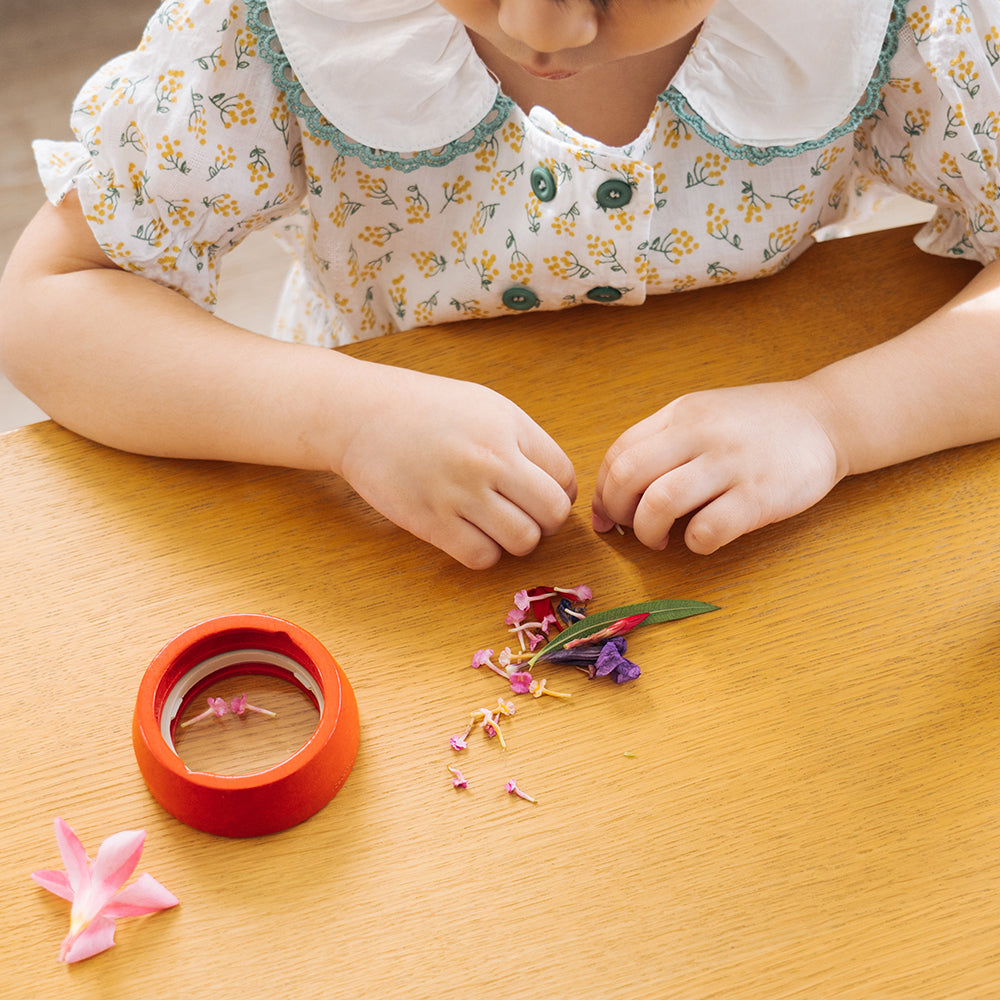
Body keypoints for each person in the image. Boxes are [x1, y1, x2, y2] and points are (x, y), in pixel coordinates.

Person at [2, 0, 1000, 570]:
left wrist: (835, 420)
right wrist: (339, 418)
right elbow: (48, 305)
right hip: (385, 522)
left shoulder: (888, 19)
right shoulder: (281, 28)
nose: (545, 25)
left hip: (766, 535)